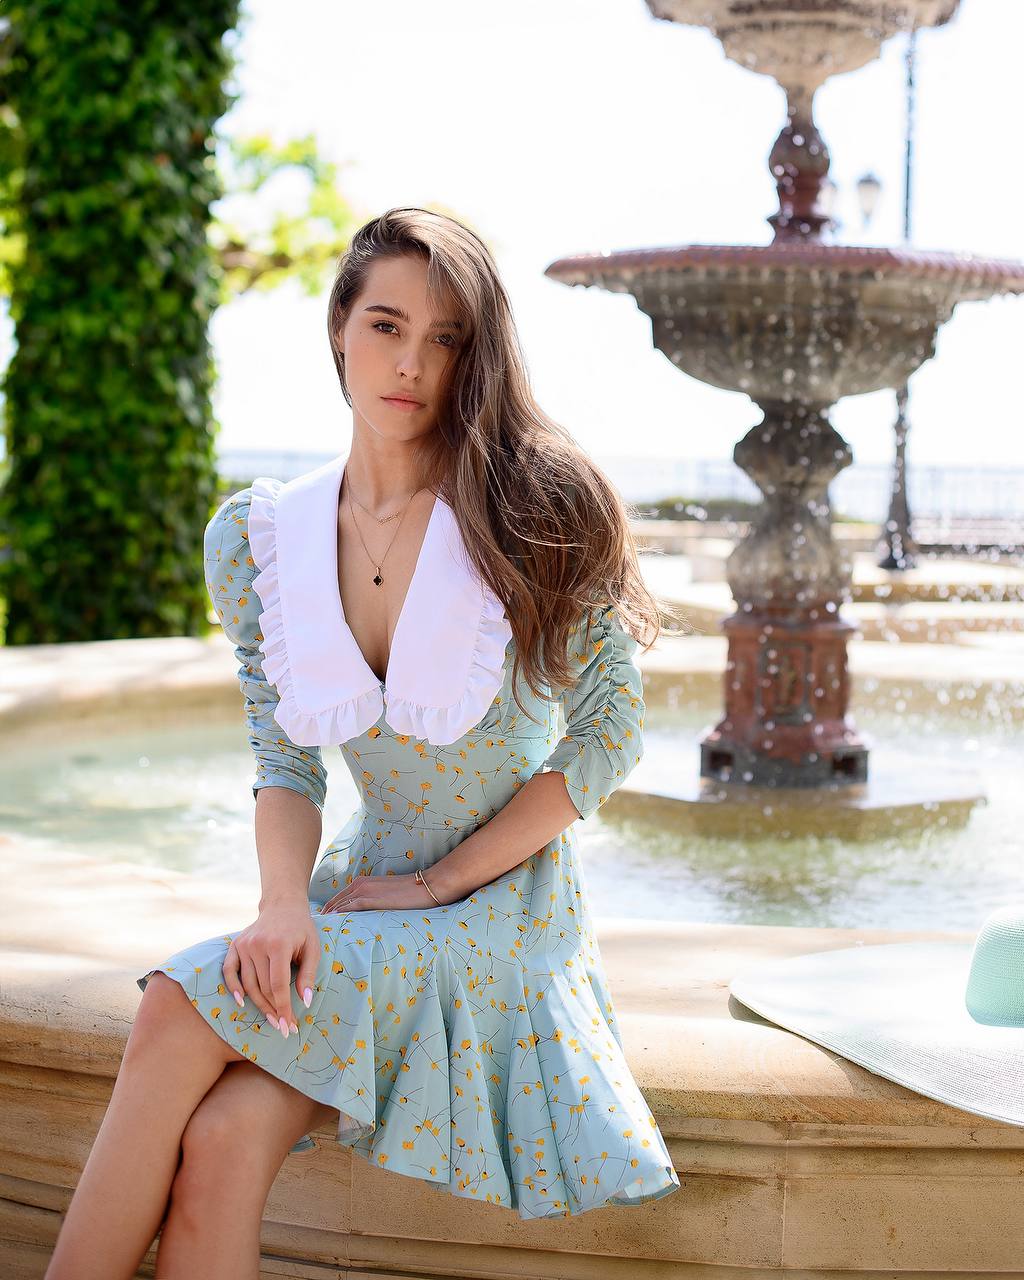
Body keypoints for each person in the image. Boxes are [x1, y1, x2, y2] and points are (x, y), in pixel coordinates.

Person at [45, 207, 682, 1279]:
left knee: (171, 1003)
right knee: (223, 1138)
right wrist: (282, 903)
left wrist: (436, 884)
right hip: (361, 895)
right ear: (339, 325)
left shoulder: (533, 504)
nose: (411, 363)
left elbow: (609, 735)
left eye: (446, 339)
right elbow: (285, 759)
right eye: (387, 324)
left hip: (500, 917)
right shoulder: (266, 536)